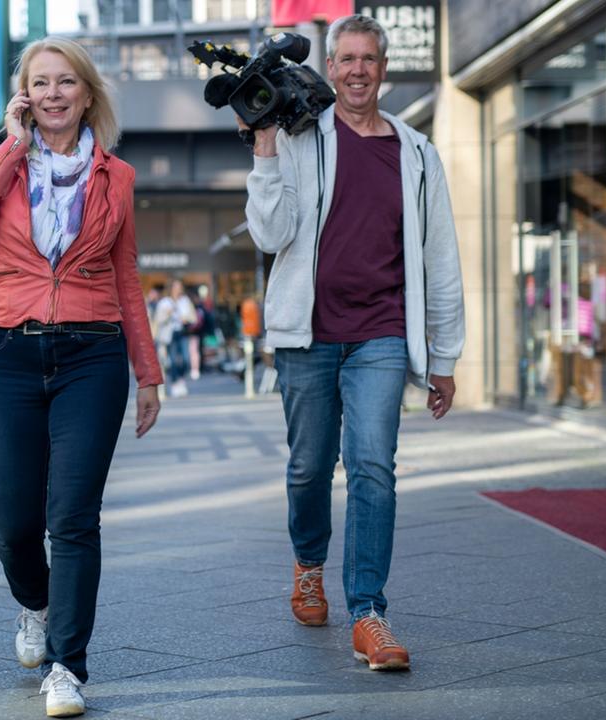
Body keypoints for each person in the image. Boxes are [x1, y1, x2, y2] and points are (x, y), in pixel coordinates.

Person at [0, 36, 162, 717]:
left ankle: (68, 666)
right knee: (12, 523)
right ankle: (35, 605)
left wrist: (147, 372)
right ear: (24, 96)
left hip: (92, 356)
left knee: (73, 518)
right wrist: (10, 148)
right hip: (11, 354)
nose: (53, 94)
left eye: (66, 82)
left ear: (87, 93)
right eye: (40, 83)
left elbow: (126, 277)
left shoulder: (116, 176)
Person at [242, 14, 464, 671]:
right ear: (330, 68)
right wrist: (263, 149)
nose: (357, 69)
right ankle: (309, 562)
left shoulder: (416, 151)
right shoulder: (300, 135)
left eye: (369, 58)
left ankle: (369, 613)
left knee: (373, 464)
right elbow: (269, 235)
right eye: (346, 59)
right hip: (306, 334)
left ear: (384, 69)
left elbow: (441, 255)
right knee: (310, 466)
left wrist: (444, 355)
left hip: (381, 334)